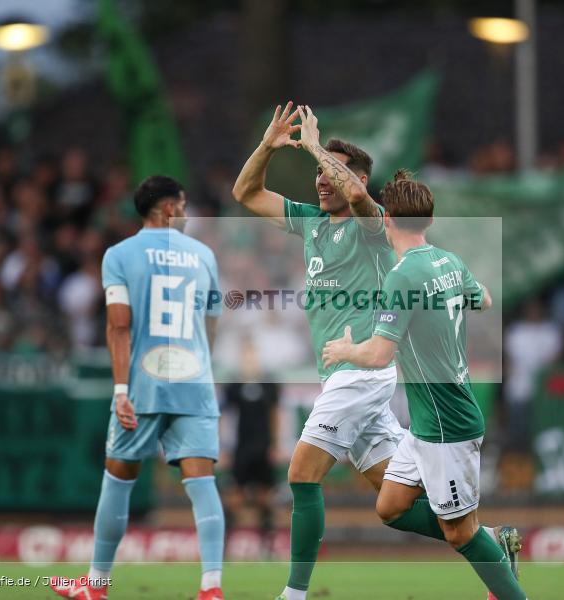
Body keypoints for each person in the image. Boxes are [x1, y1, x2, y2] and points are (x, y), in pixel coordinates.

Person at [232, 102, 410, 600]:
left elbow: (356, 196)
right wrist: (268, 146)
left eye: (330, 171)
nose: (320, 180)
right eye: (317, 172)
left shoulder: (373, 226)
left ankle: (293, 595)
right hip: (344, 379)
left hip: (362, 372)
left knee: (301, 474)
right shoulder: (311, 222)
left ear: (359, 178)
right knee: (397, 503)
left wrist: (313, 146)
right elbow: (246, 193)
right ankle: (488, 542)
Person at [321, 171, 527, 600]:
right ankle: (492, 541)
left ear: (387, 218)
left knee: (459, 534)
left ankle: (495, 559)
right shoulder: (449, 261)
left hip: (448, 425)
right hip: (427, 424)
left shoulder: (402, 277)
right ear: (429, 220)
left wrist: (345, 350)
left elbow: (379, 354)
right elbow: (484, 299)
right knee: (390, 507)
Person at [50, 176, 226, 600]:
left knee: (118, 479)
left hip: (143, 386)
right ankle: (211, 588)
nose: (186, 214)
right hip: (194, 383)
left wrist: (120, 390)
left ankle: (95, 586)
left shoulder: (119, 255)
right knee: (202, 483)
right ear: (167, 209)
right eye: (183, 206)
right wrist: (200, 364)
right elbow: (211, 322)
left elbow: (118, 326)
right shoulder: (204, 255)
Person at [223, 339, 281, 555]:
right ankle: (225, 546)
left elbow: (275, 415)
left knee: (266, 497)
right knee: (234, 497)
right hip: (241, 448)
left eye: (252, 356)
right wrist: (224, 447)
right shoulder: (234, 386)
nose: (249, 361)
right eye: (246, 357)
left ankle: (268, 547)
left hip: (264, 447)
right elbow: (226, 416)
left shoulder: (269, 386)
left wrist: (275, 445)